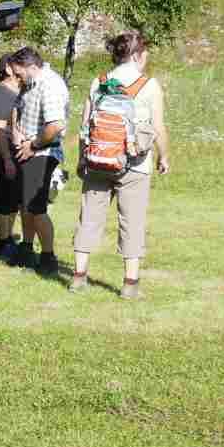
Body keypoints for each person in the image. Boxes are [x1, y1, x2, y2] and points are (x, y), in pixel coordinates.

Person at [71, 30, 171, 299]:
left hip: (98, 160)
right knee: (132, 221)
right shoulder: (149, 85)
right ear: (137, 55)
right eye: (146, 52)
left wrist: (83, 157)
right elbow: (158, 127)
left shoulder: (99, 82)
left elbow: (84, 126)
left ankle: (78, 277)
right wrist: (164, 156)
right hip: (135, 164)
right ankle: (130, 284)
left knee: (89, 218)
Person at [9, 46, 70, 276]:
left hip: (43, 153)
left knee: (36, 208)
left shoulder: (50, 85)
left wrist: (33, 145)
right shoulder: (30, 82)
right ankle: (26, 250)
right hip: (27, 149)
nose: (16, 79)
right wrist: (15, 130)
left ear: (32, 67)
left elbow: (55, 126)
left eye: (18, 74)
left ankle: (48, 258)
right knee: (26, 205)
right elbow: (17, 106)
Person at [0, 51, 24, 260]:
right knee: (4, 198)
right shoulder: (1, 93)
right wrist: (7, 159)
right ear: (8, 69)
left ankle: (9, 238)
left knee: (14, 199)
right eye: (15, 64)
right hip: (3, 152)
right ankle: (3, 242)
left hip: (15, 151)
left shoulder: (18, 90)